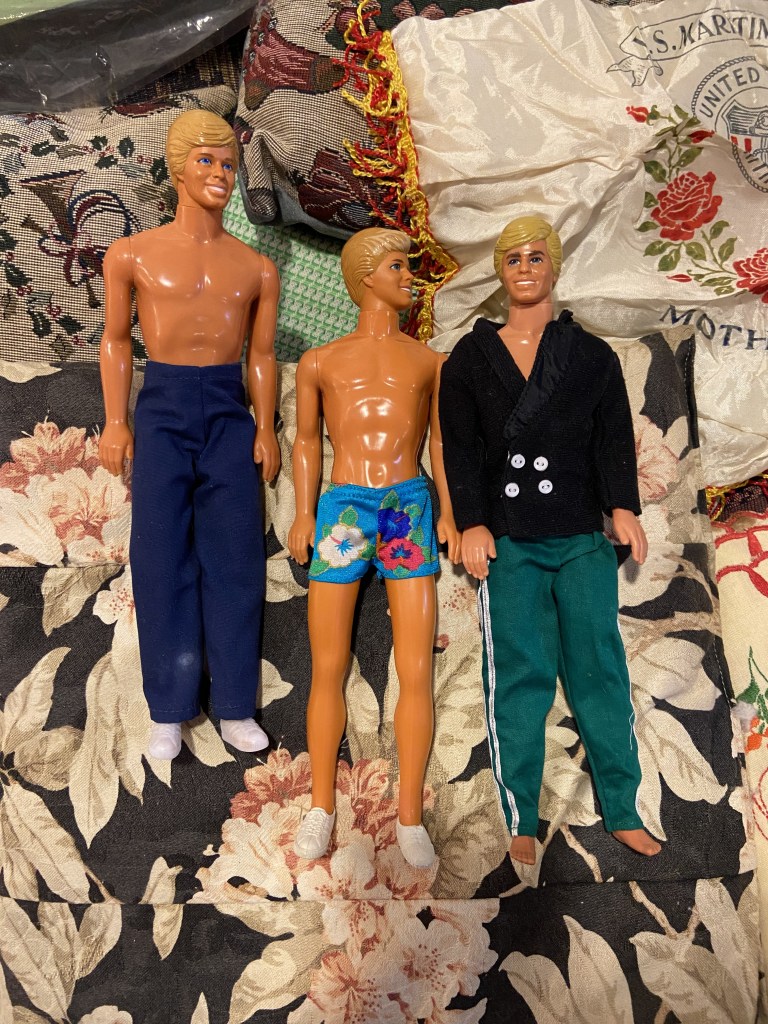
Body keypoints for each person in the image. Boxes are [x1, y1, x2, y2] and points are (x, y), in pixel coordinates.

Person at [438, 214, 661, 865]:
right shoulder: (471, 358)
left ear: (555, 266)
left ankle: (622, 806)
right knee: (520, 674)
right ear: (500, 270)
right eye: (513, 258)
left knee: (599, 668)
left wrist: (623, 505)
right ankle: (519, 817)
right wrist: (472, 520)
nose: (525, 268)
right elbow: (460, 445)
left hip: (581, 533)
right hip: (511, 541)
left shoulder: (590, 355)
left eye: (537, 256)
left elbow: (612, 435)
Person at [99, 109, 280, 761]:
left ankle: (234, 704)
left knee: (234, 556)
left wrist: (267, 424)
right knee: (160, 554)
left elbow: (262, 355)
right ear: (178, 167)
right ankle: (169, 709)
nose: (220, 174)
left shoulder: (256, 268)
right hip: (164, 407)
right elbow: (116, 340)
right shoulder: (132, 254)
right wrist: (116, 419)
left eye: (229, 163)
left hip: (229, 408)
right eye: (206, 160)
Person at [288, 227, 460, 867]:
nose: (410, 276)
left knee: (415, 666)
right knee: (327, 663)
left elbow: (441, 442)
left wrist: (451, 511)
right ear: (365, 277)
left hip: (407, 505)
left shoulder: (430, 362)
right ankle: (321, 805)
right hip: (344, 509)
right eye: (397, 266)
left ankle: (410, 815)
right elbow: (307, 441)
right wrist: (303, 512)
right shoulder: (319, 361)